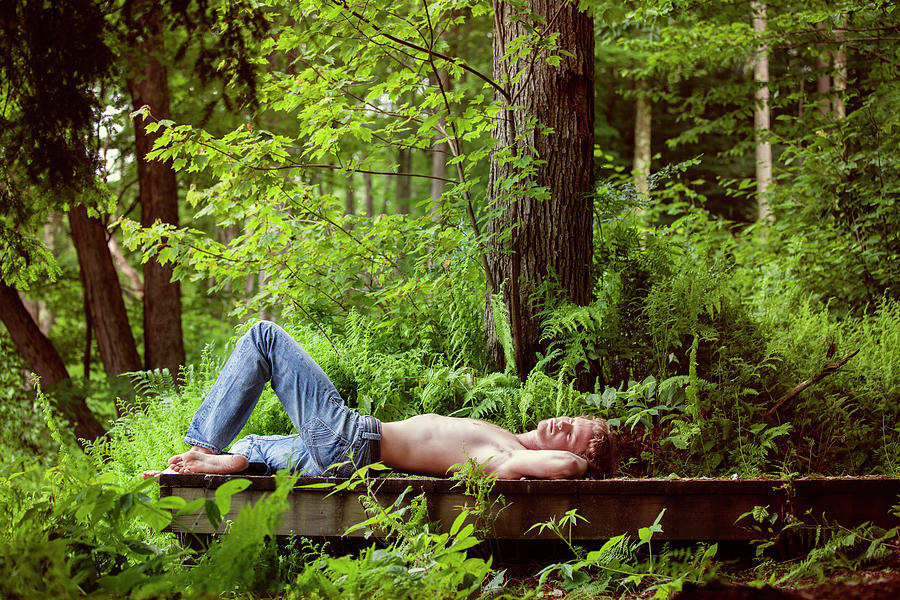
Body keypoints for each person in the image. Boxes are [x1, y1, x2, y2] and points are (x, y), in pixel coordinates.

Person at [143, 321, 617, 481]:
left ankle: (201, 444)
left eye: (574, 432)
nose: (563, 422)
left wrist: (581, 460)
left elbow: (569, 469)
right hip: (348, 458)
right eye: (573, 416)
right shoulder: (506, 436)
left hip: (354, 440)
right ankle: (225, 462)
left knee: (264, 337)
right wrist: (578, 443)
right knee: (260, 445)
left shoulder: (508, 457)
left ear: (567, 452)